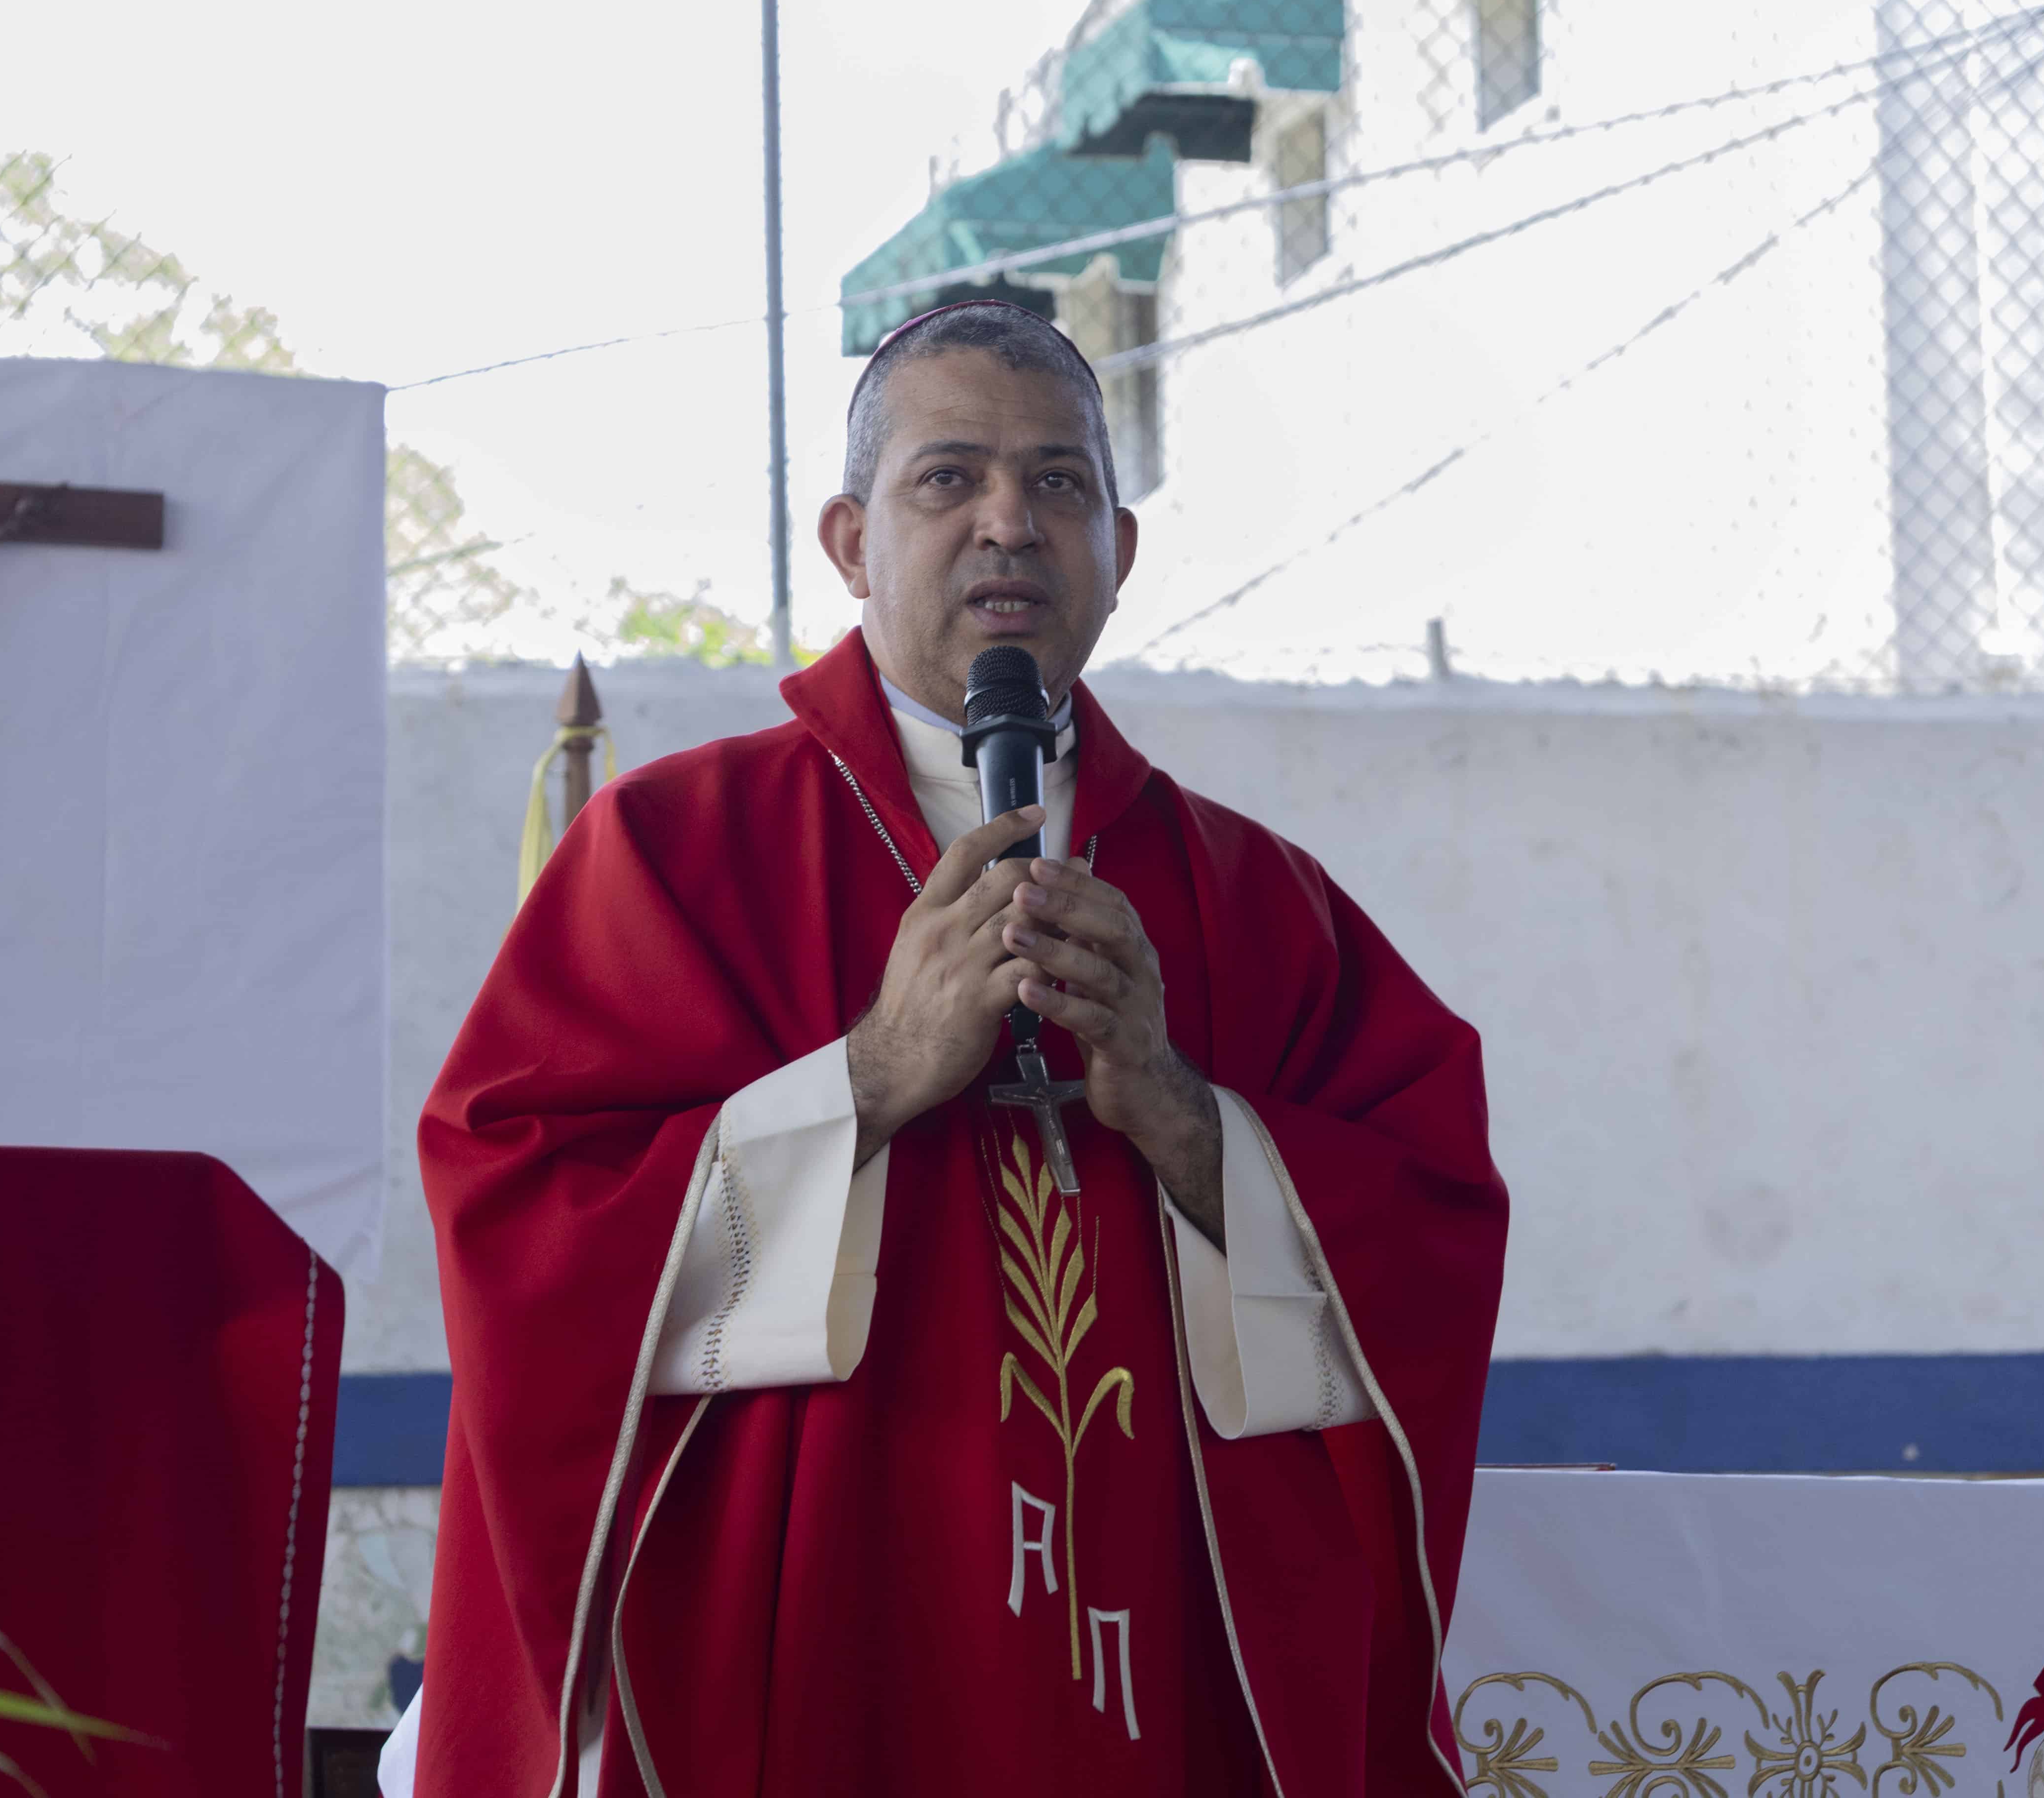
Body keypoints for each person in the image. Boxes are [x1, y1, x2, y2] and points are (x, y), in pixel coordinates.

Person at [395, 300, 1507, 1797]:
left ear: (1118, 546)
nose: (1009, 525)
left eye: (1058, 486)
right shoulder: (675, 854)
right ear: (851, 542)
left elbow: (1427, 1215)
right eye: (949, 480)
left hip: (1155, 1644)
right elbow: (521, 1208)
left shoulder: (1253, 899)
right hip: (819, 1628)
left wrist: (1185, 1118)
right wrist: (866, 1077)